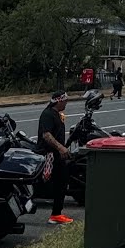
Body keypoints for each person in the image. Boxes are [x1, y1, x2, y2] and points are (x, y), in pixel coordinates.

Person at [37, 90, 73, 226]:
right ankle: (55, 215)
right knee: (58, 182)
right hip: (49, 154)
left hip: (57, 154)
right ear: (59, 101)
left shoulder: (57, 114)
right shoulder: (47, 114)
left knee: (62, 181)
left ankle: (57, 213)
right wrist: (60, 147)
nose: (66, 104)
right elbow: (46, 135)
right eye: (65, 101)